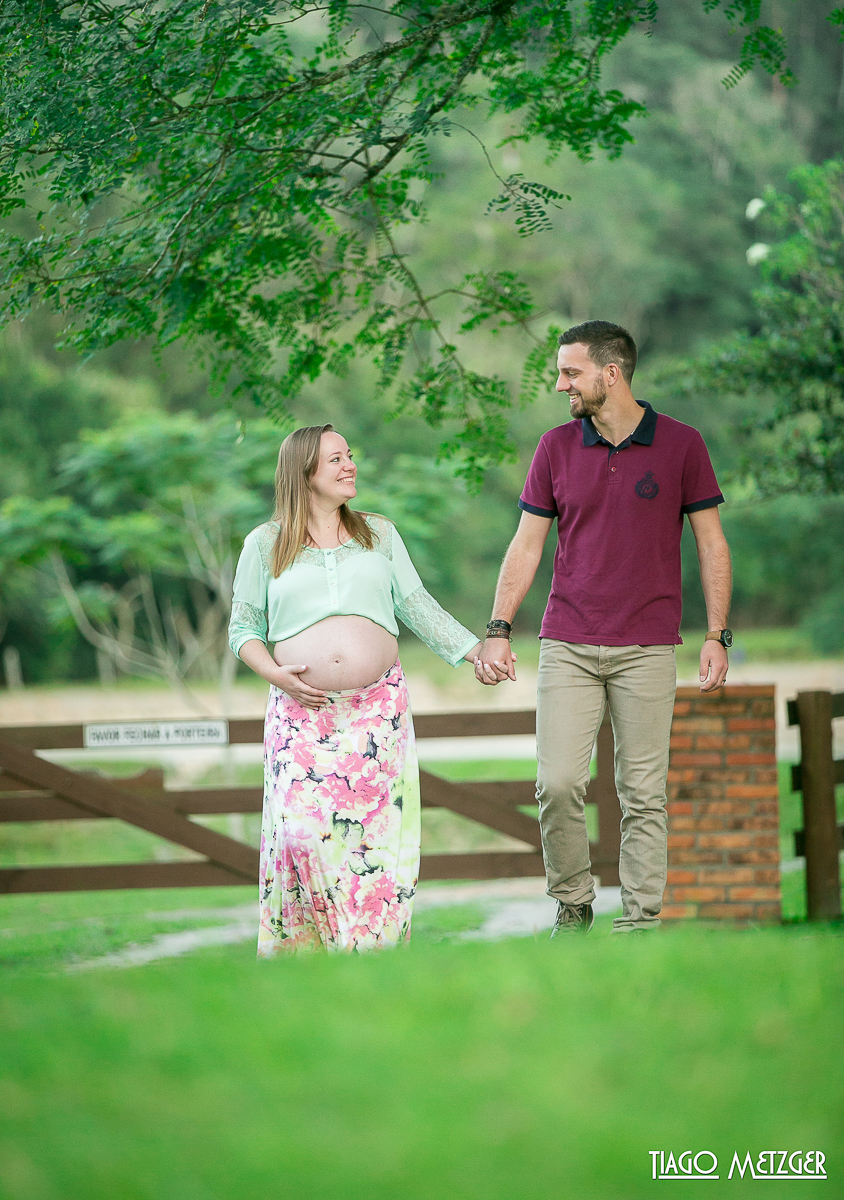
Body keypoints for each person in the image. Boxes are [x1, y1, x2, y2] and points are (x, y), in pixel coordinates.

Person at [475, 321, 732, 935]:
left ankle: (639, 923)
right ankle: (573, 902)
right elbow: (527, 544)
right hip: (568, 641)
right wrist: (499, 627)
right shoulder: (555, 448)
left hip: (647, 646)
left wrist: (718, 634)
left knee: (644, 794)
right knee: (558, 782)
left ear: (610, 374)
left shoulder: (682, 445)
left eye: (571, 372)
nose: (560, 383)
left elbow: (711, 544)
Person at [229, 424, 481, 955]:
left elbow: (416, 606)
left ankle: (369, 949)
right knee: (301, 832)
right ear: (304, 475)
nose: (350, 466)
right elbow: (243, 629)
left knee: (374, 841)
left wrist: (474, 650)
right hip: (303, 714)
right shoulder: (264, 544)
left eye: (351, 455)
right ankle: (312, 949)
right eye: (336, 460)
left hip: (376, 714)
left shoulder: (378, 534)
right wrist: (275, 674)